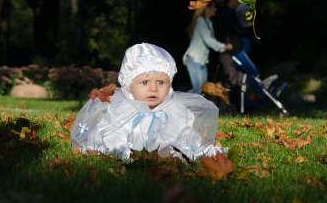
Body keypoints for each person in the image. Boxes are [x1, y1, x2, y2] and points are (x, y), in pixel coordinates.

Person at [71, 43, 223, 160]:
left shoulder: (175, 111)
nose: (153, 88)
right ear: (129, 84)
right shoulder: (121, 110)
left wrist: (183, 150)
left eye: (161, 83)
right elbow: (113, 135)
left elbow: (186, 135)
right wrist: (122, 152)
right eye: (144, 83)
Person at [183, 1, 233, 94]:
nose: (216, 9)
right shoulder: (200, 21)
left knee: (201, 90)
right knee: (198, 90)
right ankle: (176, 103)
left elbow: (212, 40)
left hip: (202, 61)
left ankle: (188, 106)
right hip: (194, 59)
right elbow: (208, 40)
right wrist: (224, 46)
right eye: (214, 7)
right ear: (207, 9)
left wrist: (222, 48)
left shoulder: (209, 23)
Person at [217, 0, 250, 113]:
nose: (239, 3)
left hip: (235, 54)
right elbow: (237, 30)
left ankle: (231, 111)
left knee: (238, 83)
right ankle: (222, 112)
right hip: (229, 55)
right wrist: (246, 32)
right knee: (229, 83)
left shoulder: (232, 14)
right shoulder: (227, 14)